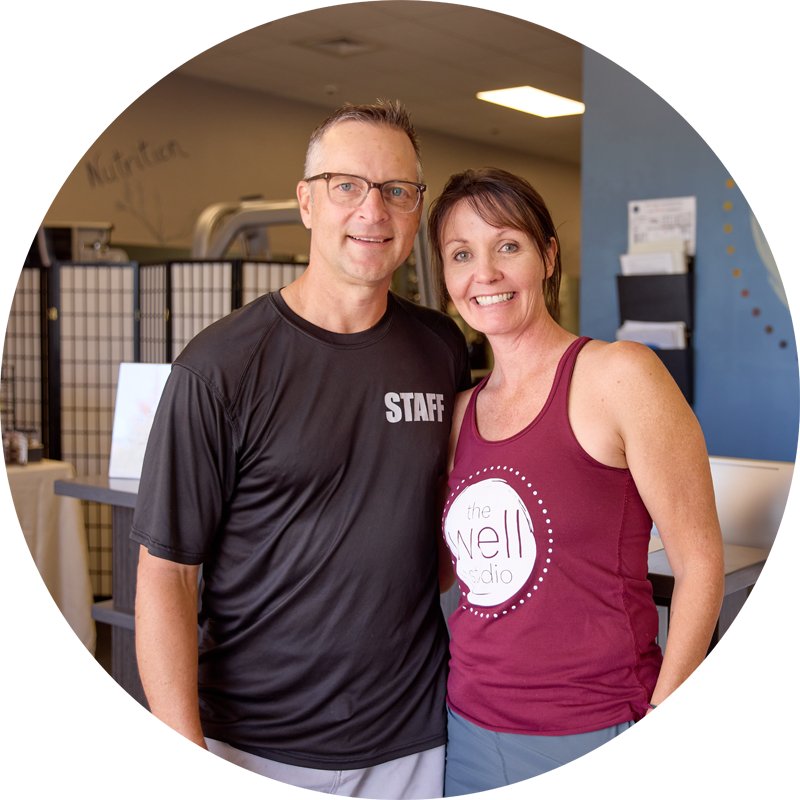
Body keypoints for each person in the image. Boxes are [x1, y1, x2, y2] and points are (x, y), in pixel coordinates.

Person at [132, 100, 471, 800]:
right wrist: (178, 749)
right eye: (348, 185)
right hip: (251, 745)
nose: (373, 210)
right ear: (307, 202)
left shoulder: (441, 348)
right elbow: (167, 575)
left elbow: (441, 531)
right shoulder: (219, 368)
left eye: (397, 190)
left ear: (416, 210)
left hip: (410, 740)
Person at [427, 167, 725, 799]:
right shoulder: (458, 414)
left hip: (596, 727)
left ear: (547, 255)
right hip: (468, 730)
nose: (485, 273)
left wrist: (668, 720)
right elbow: (455, 575)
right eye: (461, 254)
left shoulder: (621, 375)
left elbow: (701, 565)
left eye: (507, 245)